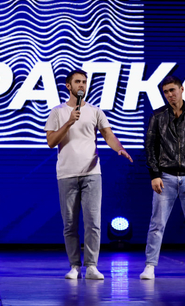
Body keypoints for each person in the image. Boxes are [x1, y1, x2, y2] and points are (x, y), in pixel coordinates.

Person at [44, 69, 133, 280]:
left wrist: (119, 148)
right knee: (70, 224)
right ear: (69, 86)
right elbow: (51, 142)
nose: (82, 85)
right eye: (77, 82)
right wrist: (68, 122)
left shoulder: (95, 111)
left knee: (93, 222)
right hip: (66, 174)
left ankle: (91, 265)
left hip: (92, 173)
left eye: (84, 81)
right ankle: (74, 266)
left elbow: (108, 135)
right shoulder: (57, 112)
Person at [140, 75, 185, 280]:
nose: (169, 95)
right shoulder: (157, 116)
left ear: (182, 89)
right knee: (157, 223)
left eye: (172, 90)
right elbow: (150, 148)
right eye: (166, 92)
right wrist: (155, 174)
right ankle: (150, 266)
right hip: (166, 177)